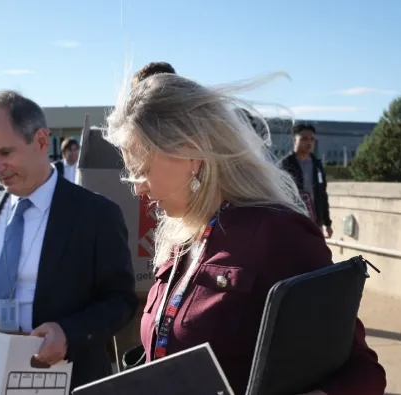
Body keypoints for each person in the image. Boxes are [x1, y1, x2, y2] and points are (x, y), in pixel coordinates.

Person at [105, 72, 386, 394]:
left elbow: (362, 372)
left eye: (141, 169)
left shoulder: (279, 234)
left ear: (191, 152)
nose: (138, 188)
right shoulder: (180, 238)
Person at [0, 90, 139, 388]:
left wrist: (68, 333)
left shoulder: (96, 213)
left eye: (5, 153)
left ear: (42, 142)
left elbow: (120, 300)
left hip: (64, 374)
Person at [277, 124, 332, 237]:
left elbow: (322, 195)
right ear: (294, 140)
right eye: (304, 139)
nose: (309, 142)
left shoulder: (317, 165)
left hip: (316, 222)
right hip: (293, 222)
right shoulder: (285, 165)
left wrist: (327, 223)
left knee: (316, 253)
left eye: (312, 139)